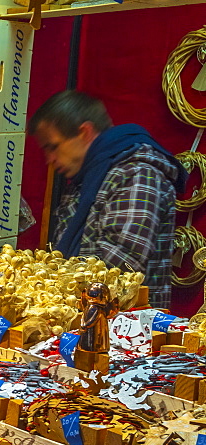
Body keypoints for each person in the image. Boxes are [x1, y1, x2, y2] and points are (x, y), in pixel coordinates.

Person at [28, 90, 187, 308]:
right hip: (82, 316)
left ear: (85, 132)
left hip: (125, 330)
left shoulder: (137, 174)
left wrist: (48, 283)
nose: (50, 159)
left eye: (53, 147)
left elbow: (120, 267)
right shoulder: (90, 174)